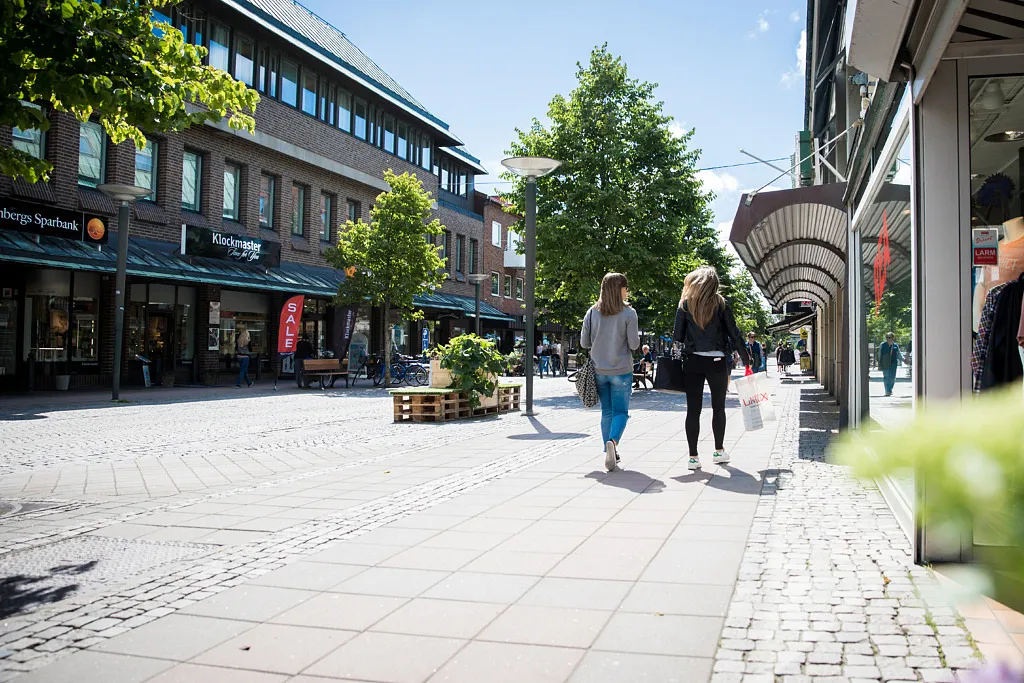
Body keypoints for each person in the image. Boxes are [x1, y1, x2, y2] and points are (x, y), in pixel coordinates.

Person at [673, 266, 750, 471]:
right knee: (718, 408)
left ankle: (693, 457)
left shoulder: (686, 305)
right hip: (717, 362)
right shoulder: (721, 304)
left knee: (693, 410)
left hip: (692, 362)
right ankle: (718, 451)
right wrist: (746, 358)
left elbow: (677, 338)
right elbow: (734, 333)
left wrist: (675, 361)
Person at [580, 272, 640, 472]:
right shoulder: (629, 313)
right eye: (625, 287)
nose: (627, 291)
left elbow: (583, 342)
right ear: (619, 289)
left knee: (606, 412)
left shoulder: (592, 312)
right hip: (622, 370)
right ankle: (612, 443)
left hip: (599, 370)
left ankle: (608, 449)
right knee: (621, 412)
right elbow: (634, 344)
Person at [878, 332, 903, 397]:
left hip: (893, 363)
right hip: (885, 363)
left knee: (892, 378)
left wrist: (904, 360)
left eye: (890, 337)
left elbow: (899, 355)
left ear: (893, 338)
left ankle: (890, 389)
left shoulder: (895, 346)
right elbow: (879, 354)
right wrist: (879, 362)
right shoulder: (883, 345)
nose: (888, 339)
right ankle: (887, 391)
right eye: (887, 337)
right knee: (886, 377)